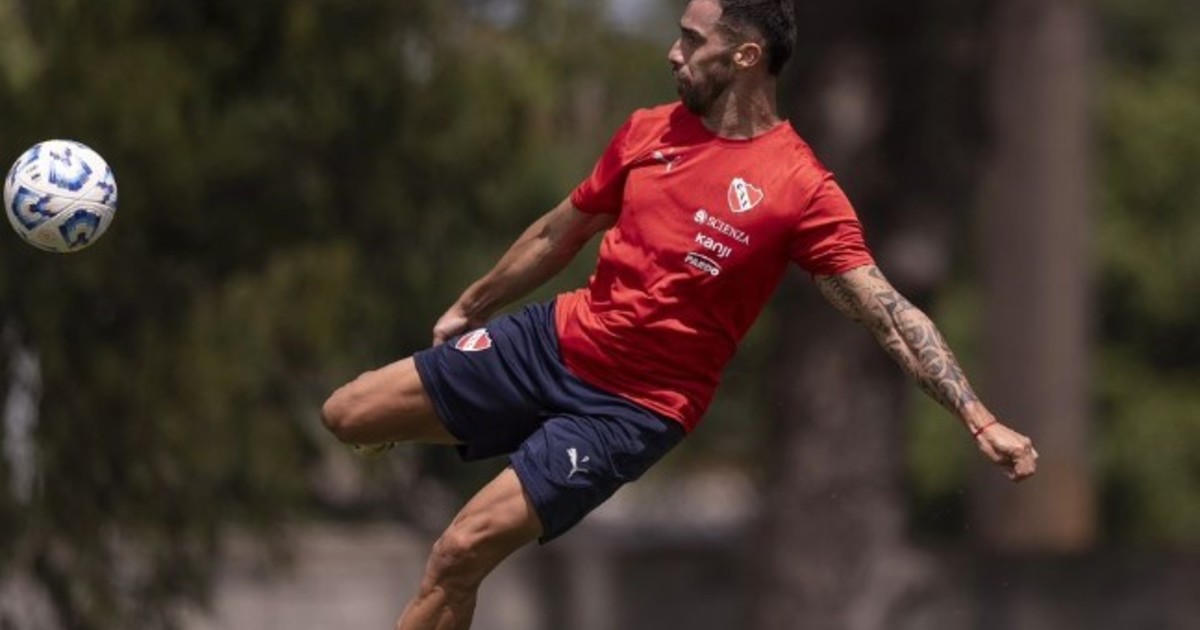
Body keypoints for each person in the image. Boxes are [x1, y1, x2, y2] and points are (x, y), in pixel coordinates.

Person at [320, 1, 1039, 628]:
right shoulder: (647, 131)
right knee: (345, 414)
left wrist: (978, 418)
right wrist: (470, 305)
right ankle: (491, 422)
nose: (674, 52)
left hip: (629, 411)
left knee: (459, 551)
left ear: (746, 55)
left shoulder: (800, 188)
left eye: (692, 40)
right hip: (554, 342)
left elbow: (887, 313)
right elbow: (556, 233)